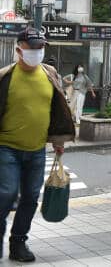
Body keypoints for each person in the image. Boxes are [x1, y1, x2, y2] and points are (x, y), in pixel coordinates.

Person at [0, 28, 75, 262]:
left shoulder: (49, 73)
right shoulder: (5, 76)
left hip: (37, 149)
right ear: (19, 48)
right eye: (33, 47)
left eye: (41, 47)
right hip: (6, 147)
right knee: (6, 194)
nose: (38, 51)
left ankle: (18, 242)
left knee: (31, 197)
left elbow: (58, 109)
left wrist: (59, 141)